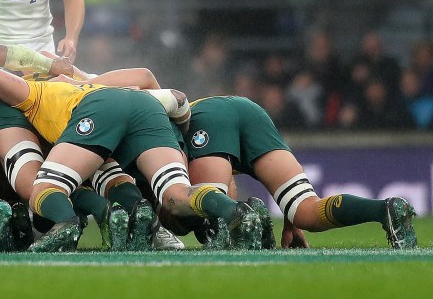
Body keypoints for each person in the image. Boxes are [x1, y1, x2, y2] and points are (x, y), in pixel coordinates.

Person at [0, 67, 263, 252]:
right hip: (148, 110)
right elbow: (177, 98)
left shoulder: (34, 93)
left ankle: (67, 225)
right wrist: (180, 136)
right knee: (174, 194)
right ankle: (235, 214)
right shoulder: (85, 83)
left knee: (43, 187)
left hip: (99, 112)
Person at [178, 95, 417, 249]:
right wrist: (292, 221)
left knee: (209, 208)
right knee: (306, 211)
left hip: (207, 117)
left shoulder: (159, 153)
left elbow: (190, 199)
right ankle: (386, 209)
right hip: (250, 111)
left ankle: (240, 220)